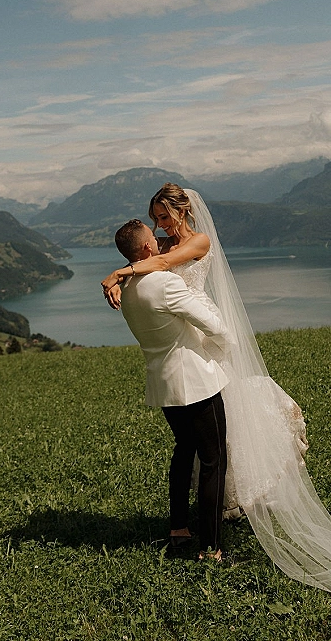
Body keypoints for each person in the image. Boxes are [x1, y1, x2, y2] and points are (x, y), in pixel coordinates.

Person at [102, 185, 331, 607]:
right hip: (197, 360)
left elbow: (152, 260)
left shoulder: (194, 242)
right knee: (212, 453)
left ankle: (190, 526)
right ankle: (208, 543)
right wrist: (130, 270)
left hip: (175, 365)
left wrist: (118, 273)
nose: (161, 226)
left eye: (164, 217)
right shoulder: (160, 252)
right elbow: (152, 259)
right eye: (155, 220)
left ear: (182, 212)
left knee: (193, 449)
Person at [112, 218, 230, 561]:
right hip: (195, 381)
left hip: (163, 384)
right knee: (213, 460)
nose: (160, 238)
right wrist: (222, 347)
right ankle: (211, 548)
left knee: (184, 451)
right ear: (147, 250)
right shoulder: (163, 283)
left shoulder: (130, 290)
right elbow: (211, 324)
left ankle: (179, 528)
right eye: (154, 236)